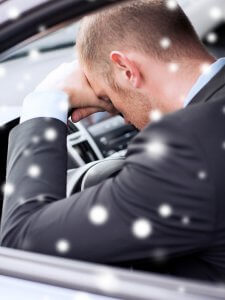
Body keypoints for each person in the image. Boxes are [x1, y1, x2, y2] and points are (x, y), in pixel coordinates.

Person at [1, 0, 225, 282]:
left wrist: (47, 97)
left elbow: (22, 241)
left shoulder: (186, 150)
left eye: (109, 100)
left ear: (126, 68)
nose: (125, 120)